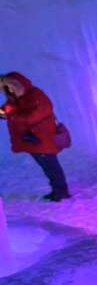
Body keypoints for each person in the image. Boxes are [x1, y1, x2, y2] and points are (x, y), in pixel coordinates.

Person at [1, 72, 70, 202]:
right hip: (33, 140)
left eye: (12, 86)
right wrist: (3, 113)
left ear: (21, 84)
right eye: (7, 88)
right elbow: (7, 110)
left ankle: (61, 191)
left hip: (43, 138)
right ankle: (58, 189)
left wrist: (12, 115)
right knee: (46, 166)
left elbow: (33, 117)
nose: (11, 90)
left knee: (51, 166)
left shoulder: (36, 96)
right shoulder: (16, 99)